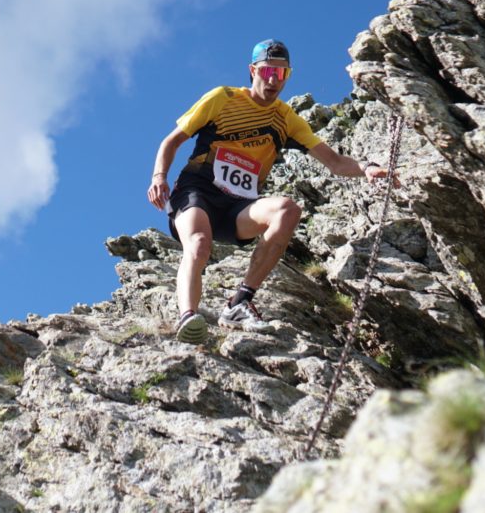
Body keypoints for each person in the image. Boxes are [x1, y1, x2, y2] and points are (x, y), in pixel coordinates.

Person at [147, 39, 390, 344]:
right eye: (267, 72)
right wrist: (159, 176)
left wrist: (367, 168)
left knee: (287, 209)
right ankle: (188, 317)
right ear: (252, 71)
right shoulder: (222, 98)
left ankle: (240, 302)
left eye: (282, 74)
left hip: (239, 205)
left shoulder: (285, 118)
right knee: (198, 243)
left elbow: (335, 162)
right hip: (198, 190)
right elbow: (171, 141)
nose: (274, 80)